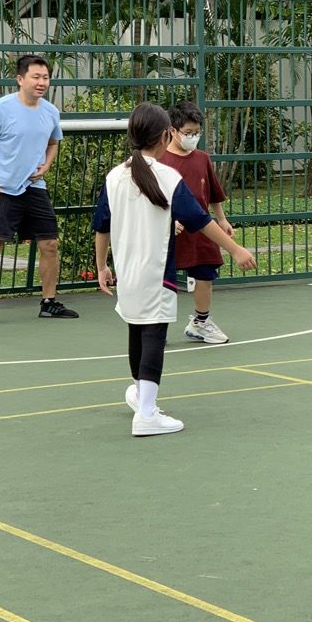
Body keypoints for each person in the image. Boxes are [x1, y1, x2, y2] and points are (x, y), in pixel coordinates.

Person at [93, 103, 256, 437]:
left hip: (127, 272)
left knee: (136, 331)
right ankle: (147, 414)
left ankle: (141, 396)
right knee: (153, 336)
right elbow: (200, 220)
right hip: (156, 272)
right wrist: (236, 250)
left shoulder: (114, 176)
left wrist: (101, 267)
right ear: (166, 134)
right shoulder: (167, 177)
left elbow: (101, 227)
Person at [0, 54, 79, 326]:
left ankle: (49, 303)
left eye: (46, 78)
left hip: (34, 187)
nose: (42, 82)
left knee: (50, 244)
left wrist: (47, 166)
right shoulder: (0, 108)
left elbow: (54, 142)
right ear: (20, 79)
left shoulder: (51, 111)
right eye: (36, 77)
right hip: (1, 188)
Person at [159, 99, 232, 344]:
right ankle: (157, 327)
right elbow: (155, 198)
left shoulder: (202, 158)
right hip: (171, 232)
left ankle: (200, 323)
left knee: (205, 275)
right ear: (172, 131)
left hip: (201, 228)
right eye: (188, 133)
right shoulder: (159, 161)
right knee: (163, 281)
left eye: (197, 133)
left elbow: (212, 193)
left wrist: (221, 219)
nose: (193, 137)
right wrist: (170, 219)